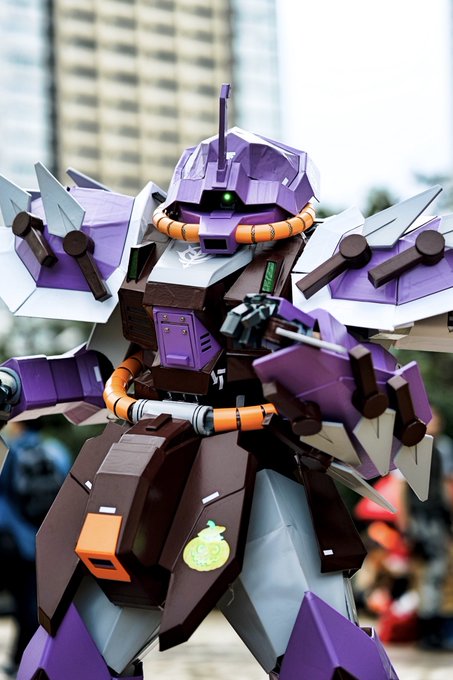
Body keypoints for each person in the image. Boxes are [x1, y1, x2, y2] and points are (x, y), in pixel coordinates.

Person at [0, 420, 71, 678]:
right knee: (34, 603)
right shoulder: (57, 451)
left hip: (13, 542)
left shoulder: (9, 451)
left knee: (22, 603)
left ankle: (21, 662)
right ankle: (29, 659)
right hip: (44, 542)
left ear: (18, 425)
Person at [397, 406, 453, 649]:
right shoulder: (409, 448)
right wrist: (405, 525)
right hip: (420, 520)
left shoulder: (443, 448)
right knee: (425, 575)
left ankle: (437, 632)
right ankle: (427, 632)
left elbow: (445, 486)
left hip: (438, 519)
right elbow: (400, 488)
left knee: (440, 574)